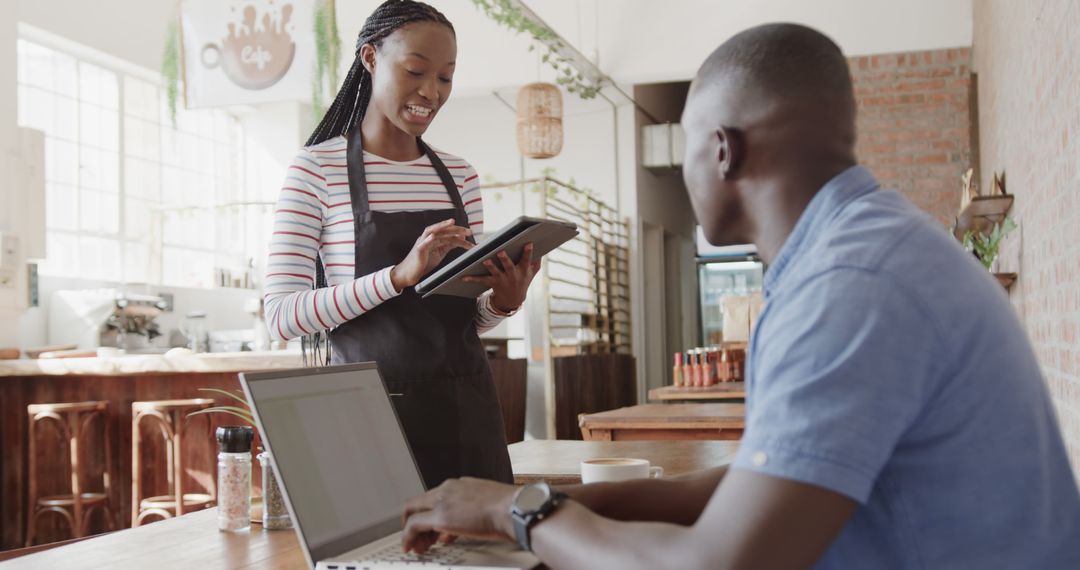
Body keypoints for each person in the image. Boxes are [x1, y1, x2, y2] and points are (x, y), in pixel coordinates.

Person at [397, 23, 1080, 568]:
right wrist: (530, 497)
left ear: (721, 150)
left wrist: (512, 516)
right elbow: (741, 490)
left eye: (687, 144)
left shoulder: (849, 285)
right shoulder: (865, 244)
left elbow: (718, 561)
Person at [264, 0, 539, 488]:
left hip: (464, 411)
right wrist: (396, 277)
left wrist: (504, 302)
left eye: (446, 78)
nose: (431, 93)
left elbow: (465, 318)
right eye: (416, 71)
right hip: (367, 417)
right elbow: (283, 316)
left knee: (485, 558)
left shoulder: (460, 176)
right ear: (370, 58)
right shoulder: (316, 170)